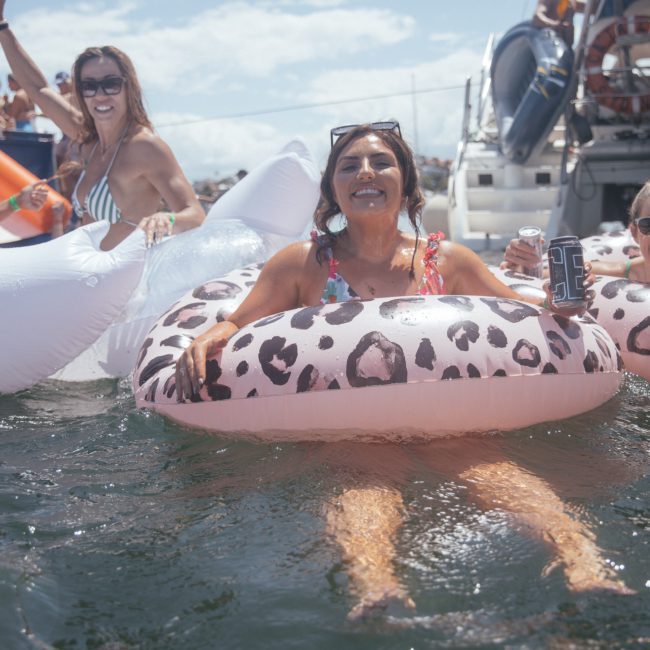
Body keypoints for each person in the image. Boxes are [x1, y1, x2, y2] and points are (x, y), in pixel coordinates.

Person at [175, 122, 629, 618]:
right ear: (332, 188)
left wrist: (566, 301)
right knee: (364, 470)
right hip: (348, 428)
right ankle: (378, 590)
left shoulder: (447, 260)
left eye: (380, 162)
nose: (365, 173)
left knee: (487, 465)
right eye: (348, 166)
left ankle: (585, 566)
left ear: (407, 183)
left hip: (446, 422)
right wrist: (214, 333)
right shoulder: (302, 263)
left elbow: (526, 315)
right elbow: (240, 322)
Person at [0, 1, 204, 250]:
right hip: (89, 273)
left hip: (126, 281)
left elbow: (195, 215)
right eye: (89, 86)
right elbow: (38, 88)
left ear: (129, 87)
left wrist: (166, 219)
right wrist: (2, 27)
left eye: (111, 83)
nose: (100, 95)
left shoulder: (145, 147)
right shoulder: (89, 140)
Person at [502, 181, 650, 284]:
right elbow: (537, 277)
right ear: (634, 233)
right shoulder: (617, 272)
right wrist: (521, 265)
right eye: (648, 224)